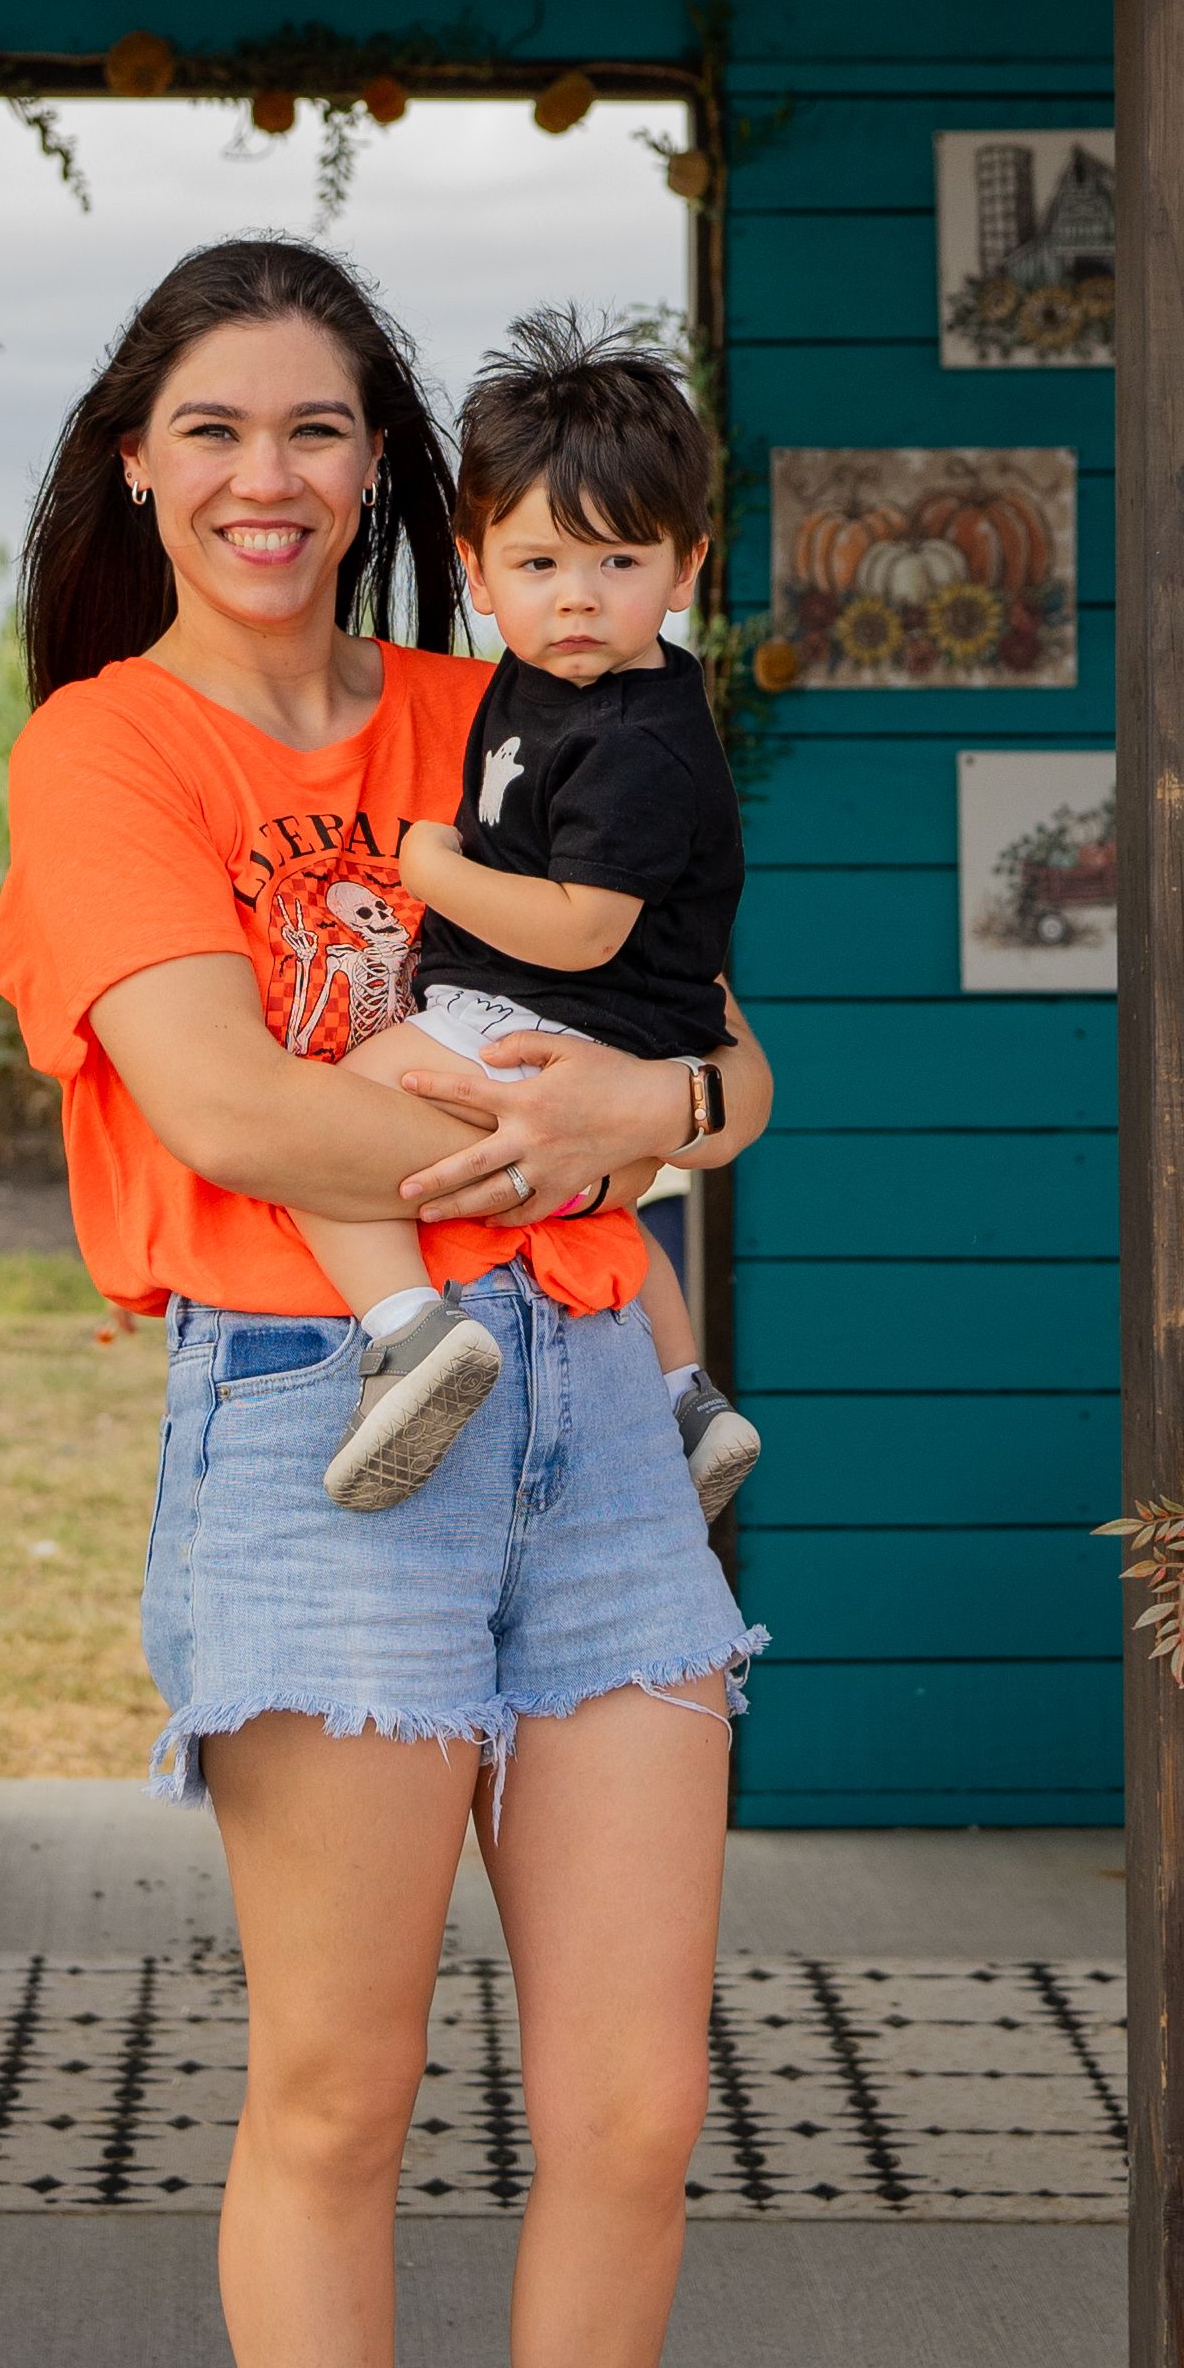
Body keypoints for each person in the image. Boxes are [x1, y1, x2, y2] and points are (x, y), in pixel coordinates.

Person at [0, 238, 773, 2368]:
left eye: (320, 431)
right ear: (135, 459)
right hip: (330, 1417)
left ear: (398, 482)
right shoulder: (106, 751)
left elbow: (736, 1051)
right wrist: (584, 1138)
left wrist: (626, 1124)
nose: (266, 479)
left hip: (588, 1426)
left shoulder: (511, 698)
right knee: (340, 2089)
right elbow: (221, 1105)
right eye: (214, 428)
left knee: (638, 2104)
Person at [286, 309, 762, 1525]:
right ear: (479, 572)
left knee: (317, 1119)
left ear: (688, 565)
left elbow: (582, 929)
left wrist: (429, 870)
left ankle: (404, 1334)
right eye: (541, 566)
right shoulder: (553, 680)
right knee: (592, 1193)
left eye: (620, 565)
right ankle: (684, 1396)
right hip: (613, 1024)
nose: (579, 601)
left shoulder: (633, 739)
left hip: (549, 1004)